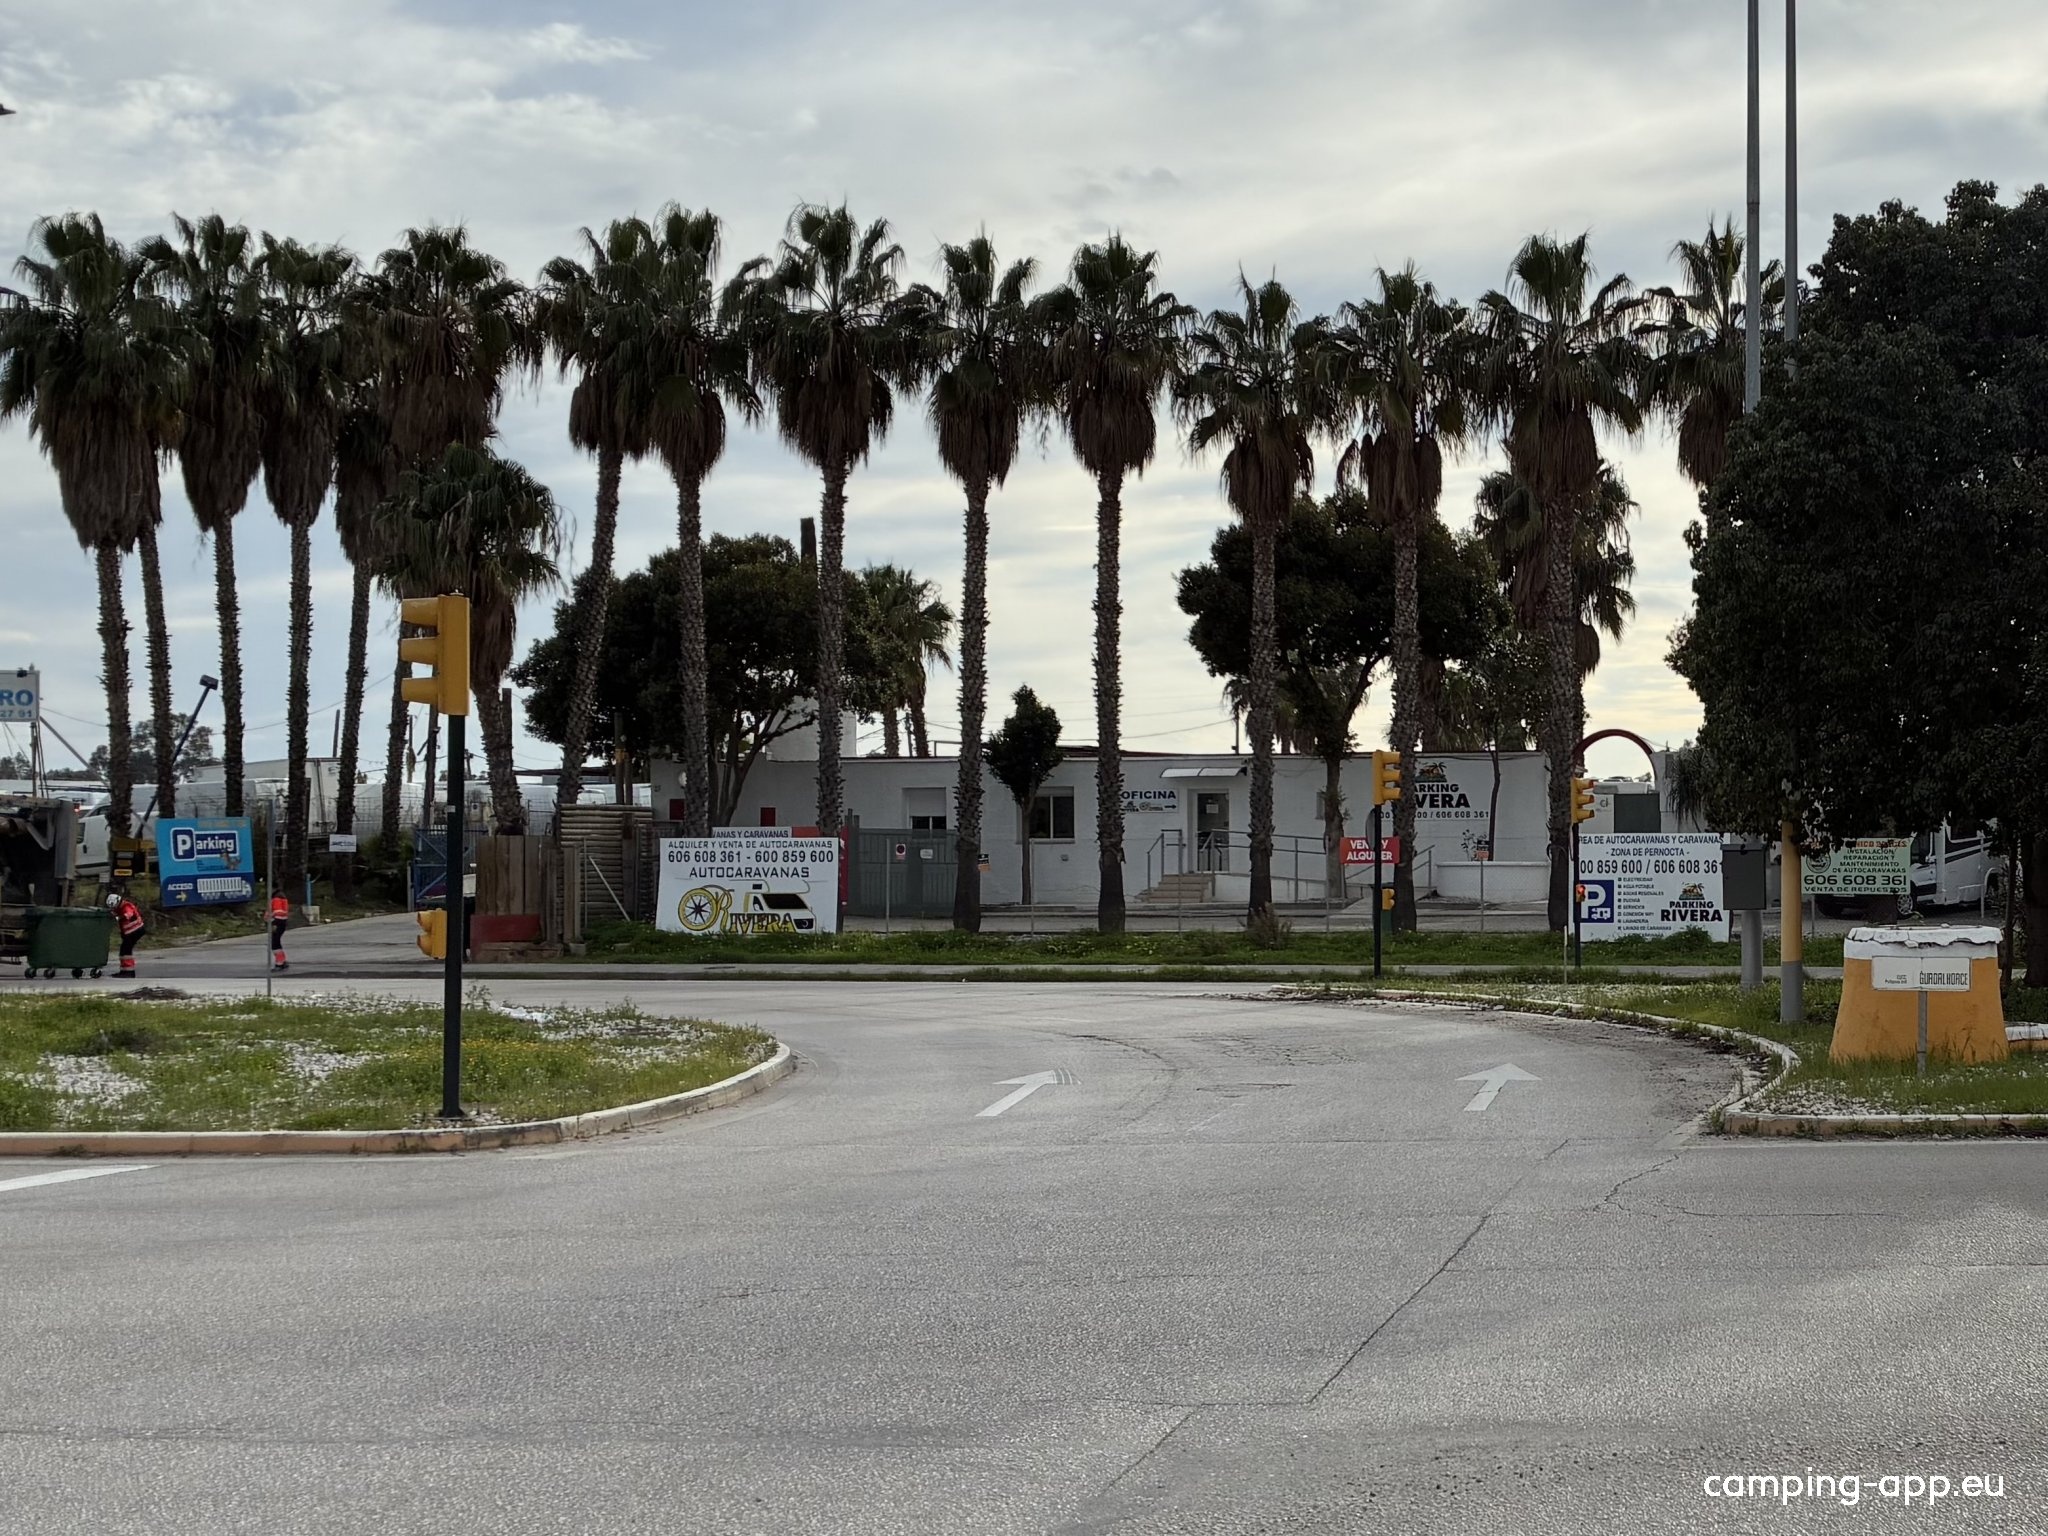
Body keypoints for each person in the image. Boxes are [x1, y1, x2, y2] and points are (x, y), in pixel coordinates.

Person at [108, 890, 145, 979]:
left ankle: (129, 972)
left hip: (135, 931)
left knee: (126, 951)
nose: (114, 909)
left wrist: (118, 918)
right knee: (124, 951)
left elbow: (128, 914)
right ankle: (125, 971)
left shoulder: (127, 906)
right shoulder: (119, 907)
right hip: (129, 932)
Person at [269, 890, 291, 972]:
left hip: (277, 923)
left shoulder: (276, 900)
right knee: (277, 942)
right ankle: (282, 961)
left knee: (275, 944)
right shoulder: (283, 900)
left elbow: (277, 912)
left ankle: (279, 963)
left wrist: (274, 923)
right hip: (282, 923)